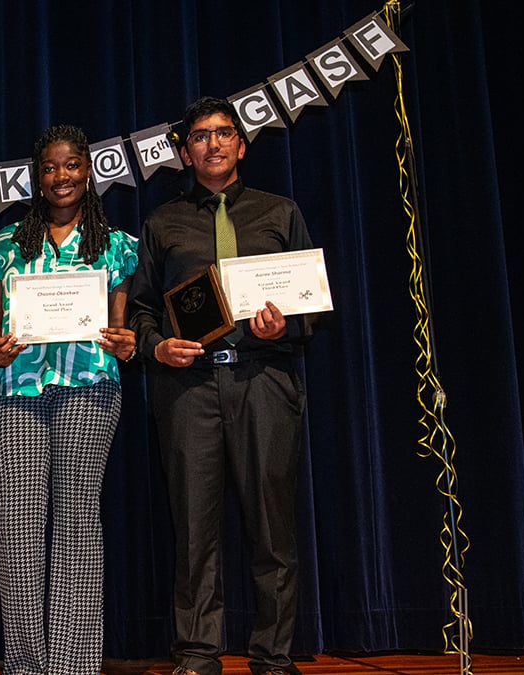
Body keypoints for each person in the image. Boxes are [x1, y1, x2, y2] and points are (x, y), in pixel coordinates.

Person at [126, 96, 315, 675]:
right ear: (185, 153)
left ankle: (274, 655)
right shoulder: (162, 223)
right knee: (194, 528)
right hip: (189, 389)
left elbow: (313, 305)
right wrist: (157, 346)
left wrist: (290, 323)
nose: (213, 143)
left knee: (272, 528)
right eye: (201, 136)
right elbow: (140, 311)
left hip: (265, 378)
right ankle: (198, 654)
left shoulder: (280, 213)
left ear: (242, 143)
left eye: (224, 133)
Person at [0, 124, 139, 675]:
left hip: (89, 390)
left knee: (77, 521)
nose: (60, 176)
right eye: (49, 167)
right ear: (36, 177)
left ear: (87, 170)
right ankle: (25, 663)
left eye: (70, 165)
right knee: (16, 524)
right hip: (17, 392)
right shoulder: (1, 248)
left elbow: (119, 328)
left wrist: (126, 341)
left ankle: (72, 665)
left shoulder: (115, 247)